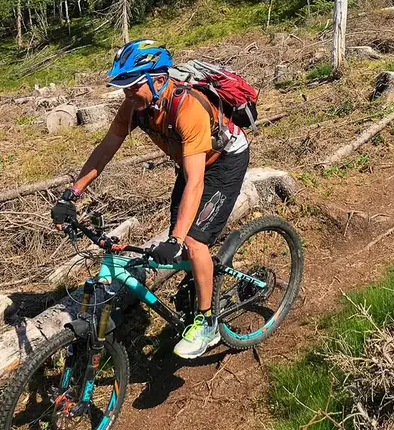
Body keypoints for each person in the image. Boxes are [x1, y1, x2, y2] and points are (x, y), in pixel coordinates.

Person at [50, 39, 250, 359]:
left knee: (193, 240)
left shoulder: (187, 110)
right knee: (181, 236)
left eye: (132, 87)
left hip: (223, 162)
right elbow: (105, 149)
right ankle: (201, 284)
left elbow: (196, 183)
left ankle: (207, 322)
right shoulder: (137, 105)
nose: (126, 95)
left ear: (157, 80)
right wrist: (71, 194)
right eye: (124, 88)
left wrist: (178, 237)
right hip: (192, 160)